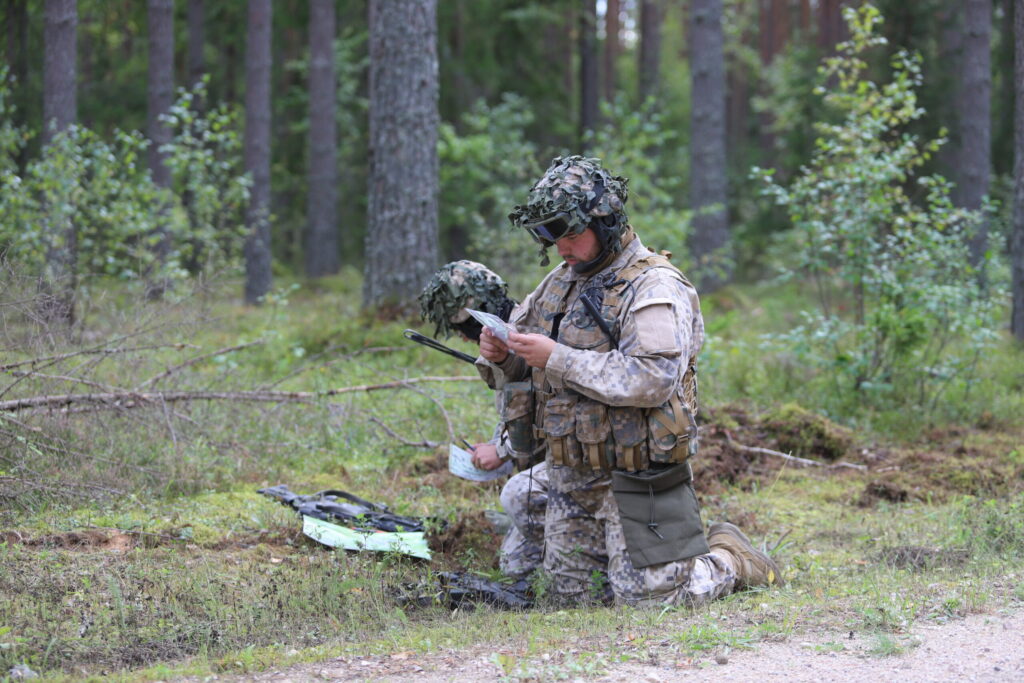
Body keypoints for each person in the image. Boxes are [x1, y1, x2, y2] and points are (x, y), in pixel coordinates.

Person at [476, 155, 782, 607]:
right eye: (547, 234)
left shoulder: (653, 285)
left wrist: (557, 357)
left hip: (637, 477)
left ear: (605, 221)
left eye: (570, 232)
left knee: (650, 604)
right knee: (571, 602)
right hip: (570, 473)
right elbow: (523, 367)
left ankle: (729, 560)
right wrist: (502, 356)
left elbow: (653, 378)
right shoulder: (559, 285)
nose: (560, 246)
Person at [418, 260, 552, 581]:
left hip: (573, 466)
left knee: (519, 567)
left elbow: (550, 409)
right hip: (546, 464)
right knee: (512, 558)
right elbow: (516, 407)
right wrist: (498, 443)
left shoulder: (526, 337)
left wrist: (502, 451)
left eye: (460, 332)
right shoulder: (507, 334)